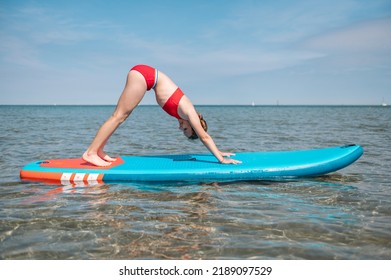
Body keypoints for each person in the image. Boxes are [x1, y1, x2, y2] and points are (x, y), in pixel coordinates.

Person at [82, 64, 241, 166]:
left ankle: (99, 150)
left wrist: (219, 151)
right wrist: (221, 159)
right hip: (144, 76)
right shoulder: (189, 111)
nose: (181, 129)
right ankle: (91, 153)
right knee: (119, 116)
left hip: (145, 76)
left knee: (120, 116)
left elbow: (203, 136)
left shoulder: (182, 114)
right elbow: (204, 137)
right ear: (192, 125)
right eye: (186, 130)